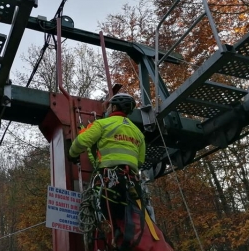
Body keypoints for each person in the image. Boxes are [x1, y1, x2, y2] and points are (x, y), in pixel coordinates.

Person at [69, 93, 174, 251]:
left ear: (115, 107)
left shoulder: (103, 124)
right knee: (132, 216)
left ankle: (116, 240)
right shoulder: (138, 133)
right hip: (132, 184)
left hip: (109, 181)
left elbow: (82, 142)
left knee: (107, 216)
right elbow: (139, 161)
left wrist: (72, 154)